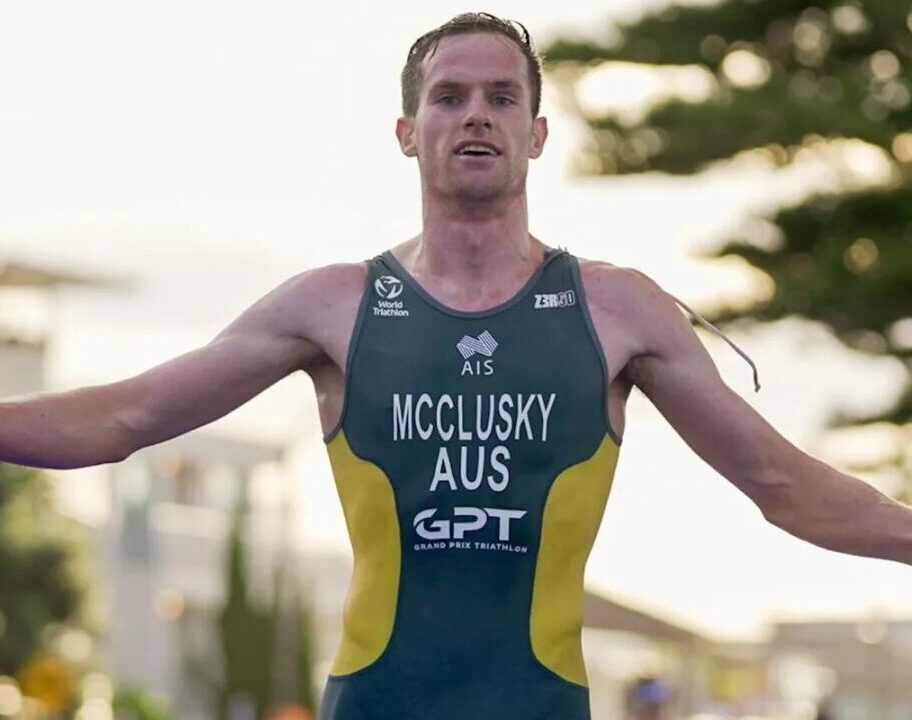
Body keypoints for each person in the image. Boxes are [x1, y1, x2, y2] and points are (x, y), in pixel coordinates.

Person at [1, 11, 910, 720]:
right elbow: (121, 420)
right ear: (407, 131)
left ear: (539, 132)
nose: (476, 113)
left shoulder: (617, 309)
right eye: (449, 96)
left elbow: (785, 486)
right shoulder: (332, 307)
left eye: (501, 97)